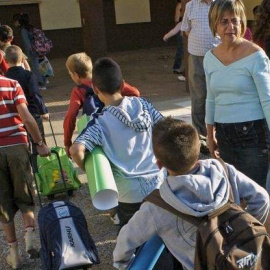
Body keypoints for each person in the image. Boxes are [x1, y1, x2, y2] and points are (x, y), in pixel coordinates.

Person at [113, 117, 270, 270]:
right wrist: (243, 232)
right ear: (197, 151)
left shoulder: (157, 206)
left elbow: (126, 241)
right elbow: (262, 199)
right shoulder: (224, 171)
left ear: (159, 164)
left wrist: (122, 264)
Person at [70, 57, 165, 229]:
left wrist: (88, 168)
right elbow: (166, 127)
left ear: (95, 89)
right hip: (159, 185)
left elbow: (76, 149)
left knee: (134, 241)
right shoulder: (144, 105)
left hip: (128, 194)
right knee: (165, 237)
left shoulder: (99, 121)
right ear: (122, 85)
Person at [204, 0, 270, 187]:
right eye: (224, 21)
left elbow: (267, 100)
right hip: (224, 136)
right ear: (214, 24)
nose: (230, 26)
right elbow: (211, 98)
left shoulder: (256, 55)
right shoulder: (210, 58)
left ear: (242, 23)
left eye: (235, 20)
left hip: (254, 135)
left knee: (255, 197)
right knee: (233, 195)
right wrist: (210, 134)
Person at [0, 73, 50, 269]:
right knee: (25, 192)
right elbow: (26, 117)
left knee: (3, 204)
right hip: (17, 146)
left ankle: (14, 254)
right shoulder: (12, 85)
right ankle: (30, 236)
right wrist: (39, 143)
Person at [64, 52, 140, 158]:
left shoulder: (78, 91)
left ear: (76, 75)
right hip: (117, 124)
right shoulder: (106, 80)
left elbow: (71, 115)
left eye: (70, 74)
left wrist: (67, 142)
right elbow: (135, 93)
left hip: (97, 131)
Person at [181, 0, 220, 152]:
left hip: (218, 57)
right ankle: (200, 137)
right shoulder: (191, 5)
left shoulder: (221, 3)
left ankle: (218, 134)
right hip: (196, 57)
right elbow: (185, 30)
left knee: (218, 95)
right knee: (198, 97)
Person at [5, 45, 49, 170]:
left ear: (6, 60)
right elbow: (35, 94)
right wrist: (43, 111)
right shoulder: (28, 75)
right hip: (32, 112)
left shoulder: (5, 77)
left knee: (21, 144)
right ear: (23, 59)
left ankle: (26, 168)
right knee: (37, 141)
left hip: (14, 116)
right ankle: (39, 171)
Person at [12, 13, 47, 90]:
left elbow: (27, 42)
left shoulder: (23, 30)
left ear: (19, 21)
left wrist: (27, 54)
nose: (14, 23)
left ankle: (41, 83)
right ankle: (43, 80)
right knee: (38, 66)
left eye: (15, 21)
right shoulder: (30, 27)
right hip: (38, 49)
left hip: (32, 52)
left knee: (35, 68)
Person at [168, 0, 185, 82]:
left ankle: (177, 67)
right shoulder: (180, 4)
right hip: (181, 25)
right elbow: (177, 18)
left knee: (181, 49)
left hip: (181, 25)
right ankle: (177, 67)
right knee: (181, 49)